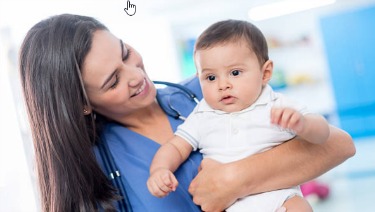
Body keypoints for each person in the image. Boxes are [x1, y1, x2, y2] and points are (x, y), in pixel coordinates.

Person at [18, 14, 355, 212]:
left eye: (125, 52)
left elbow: (339, 145)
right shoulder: (91, 170)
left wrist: (234, 179)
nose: (135, 75)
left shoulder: (208, 89)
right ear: (83, 103)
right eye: (113, 81)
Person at [147, 20, 328, 211]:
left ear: (265, 73)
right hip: (228, 204)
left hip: (278, 196)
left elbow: (323, 134)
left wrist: (303, 124)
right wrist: (160, 169)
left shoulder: (276, 104)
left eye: (234, 72)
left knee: (300, 208)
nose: (222, 84)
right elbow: (175, 146)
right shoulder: (202, 114)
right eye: (210, 77)